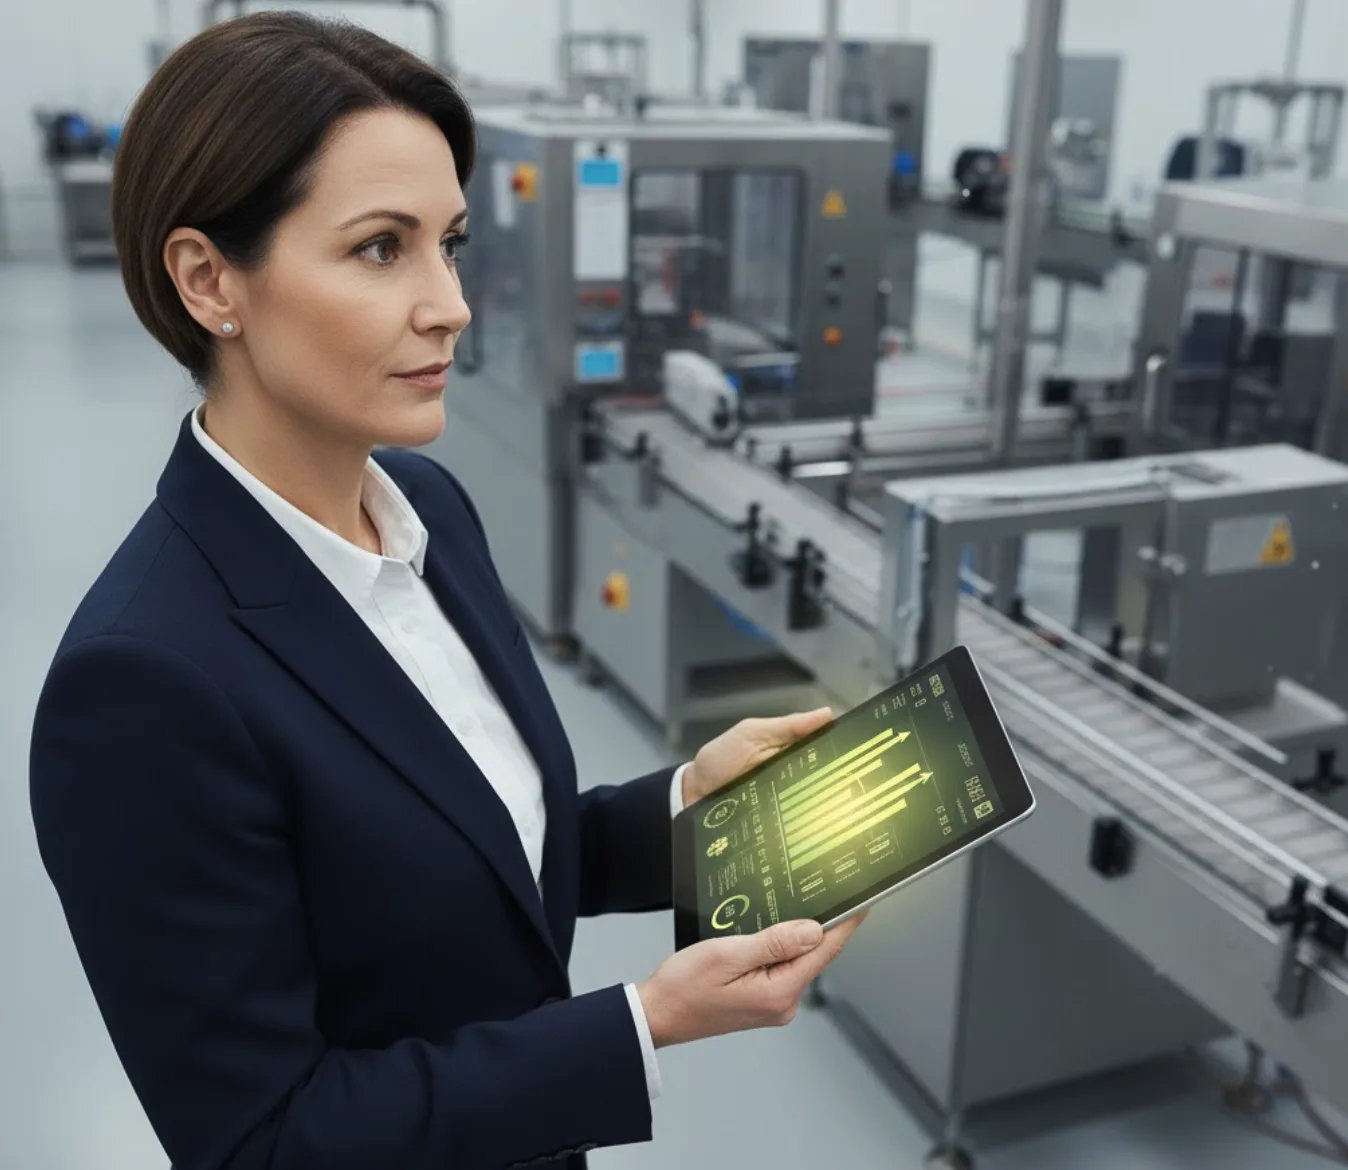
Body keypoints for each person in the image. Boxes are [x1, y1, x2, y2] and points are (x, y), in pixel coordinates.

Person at [27, 13, 864, 1170]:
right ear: (209, 278)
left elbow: (471, 850)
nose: (450, 304)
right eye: (381, 248)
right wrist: (642, 1025)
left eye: (452, 244)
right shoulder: (144, 685)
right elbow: (261, 1141)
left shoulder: (431, 513)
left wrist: (682, 814)